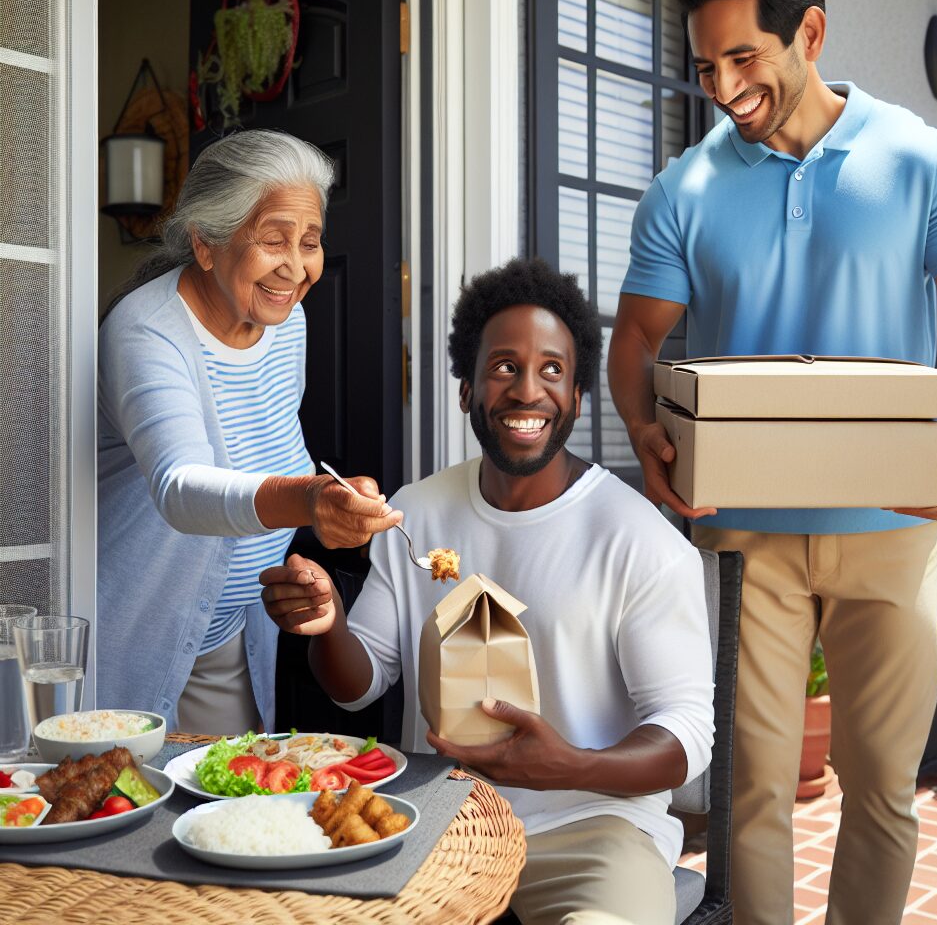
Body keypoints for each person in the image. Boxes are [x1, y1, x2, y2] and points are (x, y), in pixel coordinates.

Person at [607, 0, 937, 925]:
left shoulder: (923, 161)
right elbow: (633, 345)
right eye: (706, 64)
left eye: (744, 57)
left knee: (882, 791)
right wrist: (648, 434)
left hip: (893, 527)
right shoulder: (684, 190)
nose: (721, 85)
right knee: (751, 790)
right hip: (747, 533)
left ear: (811, 33)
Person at [262, 258, 715, 925]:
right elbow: (358, 684)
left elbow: (685, 737)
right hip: (439, 820)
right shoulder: (416, 513)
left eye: (552, 370)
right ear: (467, 391)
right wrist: (327, 623)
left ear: (578, 397)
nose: (527, 391)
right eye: (504, 367)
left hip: (593, 832)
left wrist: (569, 767)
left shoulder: (640, 542)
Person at [97, 129, 403, 735]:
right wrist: (311, 501)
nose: (296, 266)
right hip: (132, 639)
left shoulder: (286, 322)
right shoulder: (146, 331)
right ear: (206, 244)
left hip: (226, 637)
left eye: (310, 242)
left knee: (223, 813)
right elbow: (181, 487)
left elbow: (267, 446)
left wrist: (301, 545)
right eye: (273, 240)